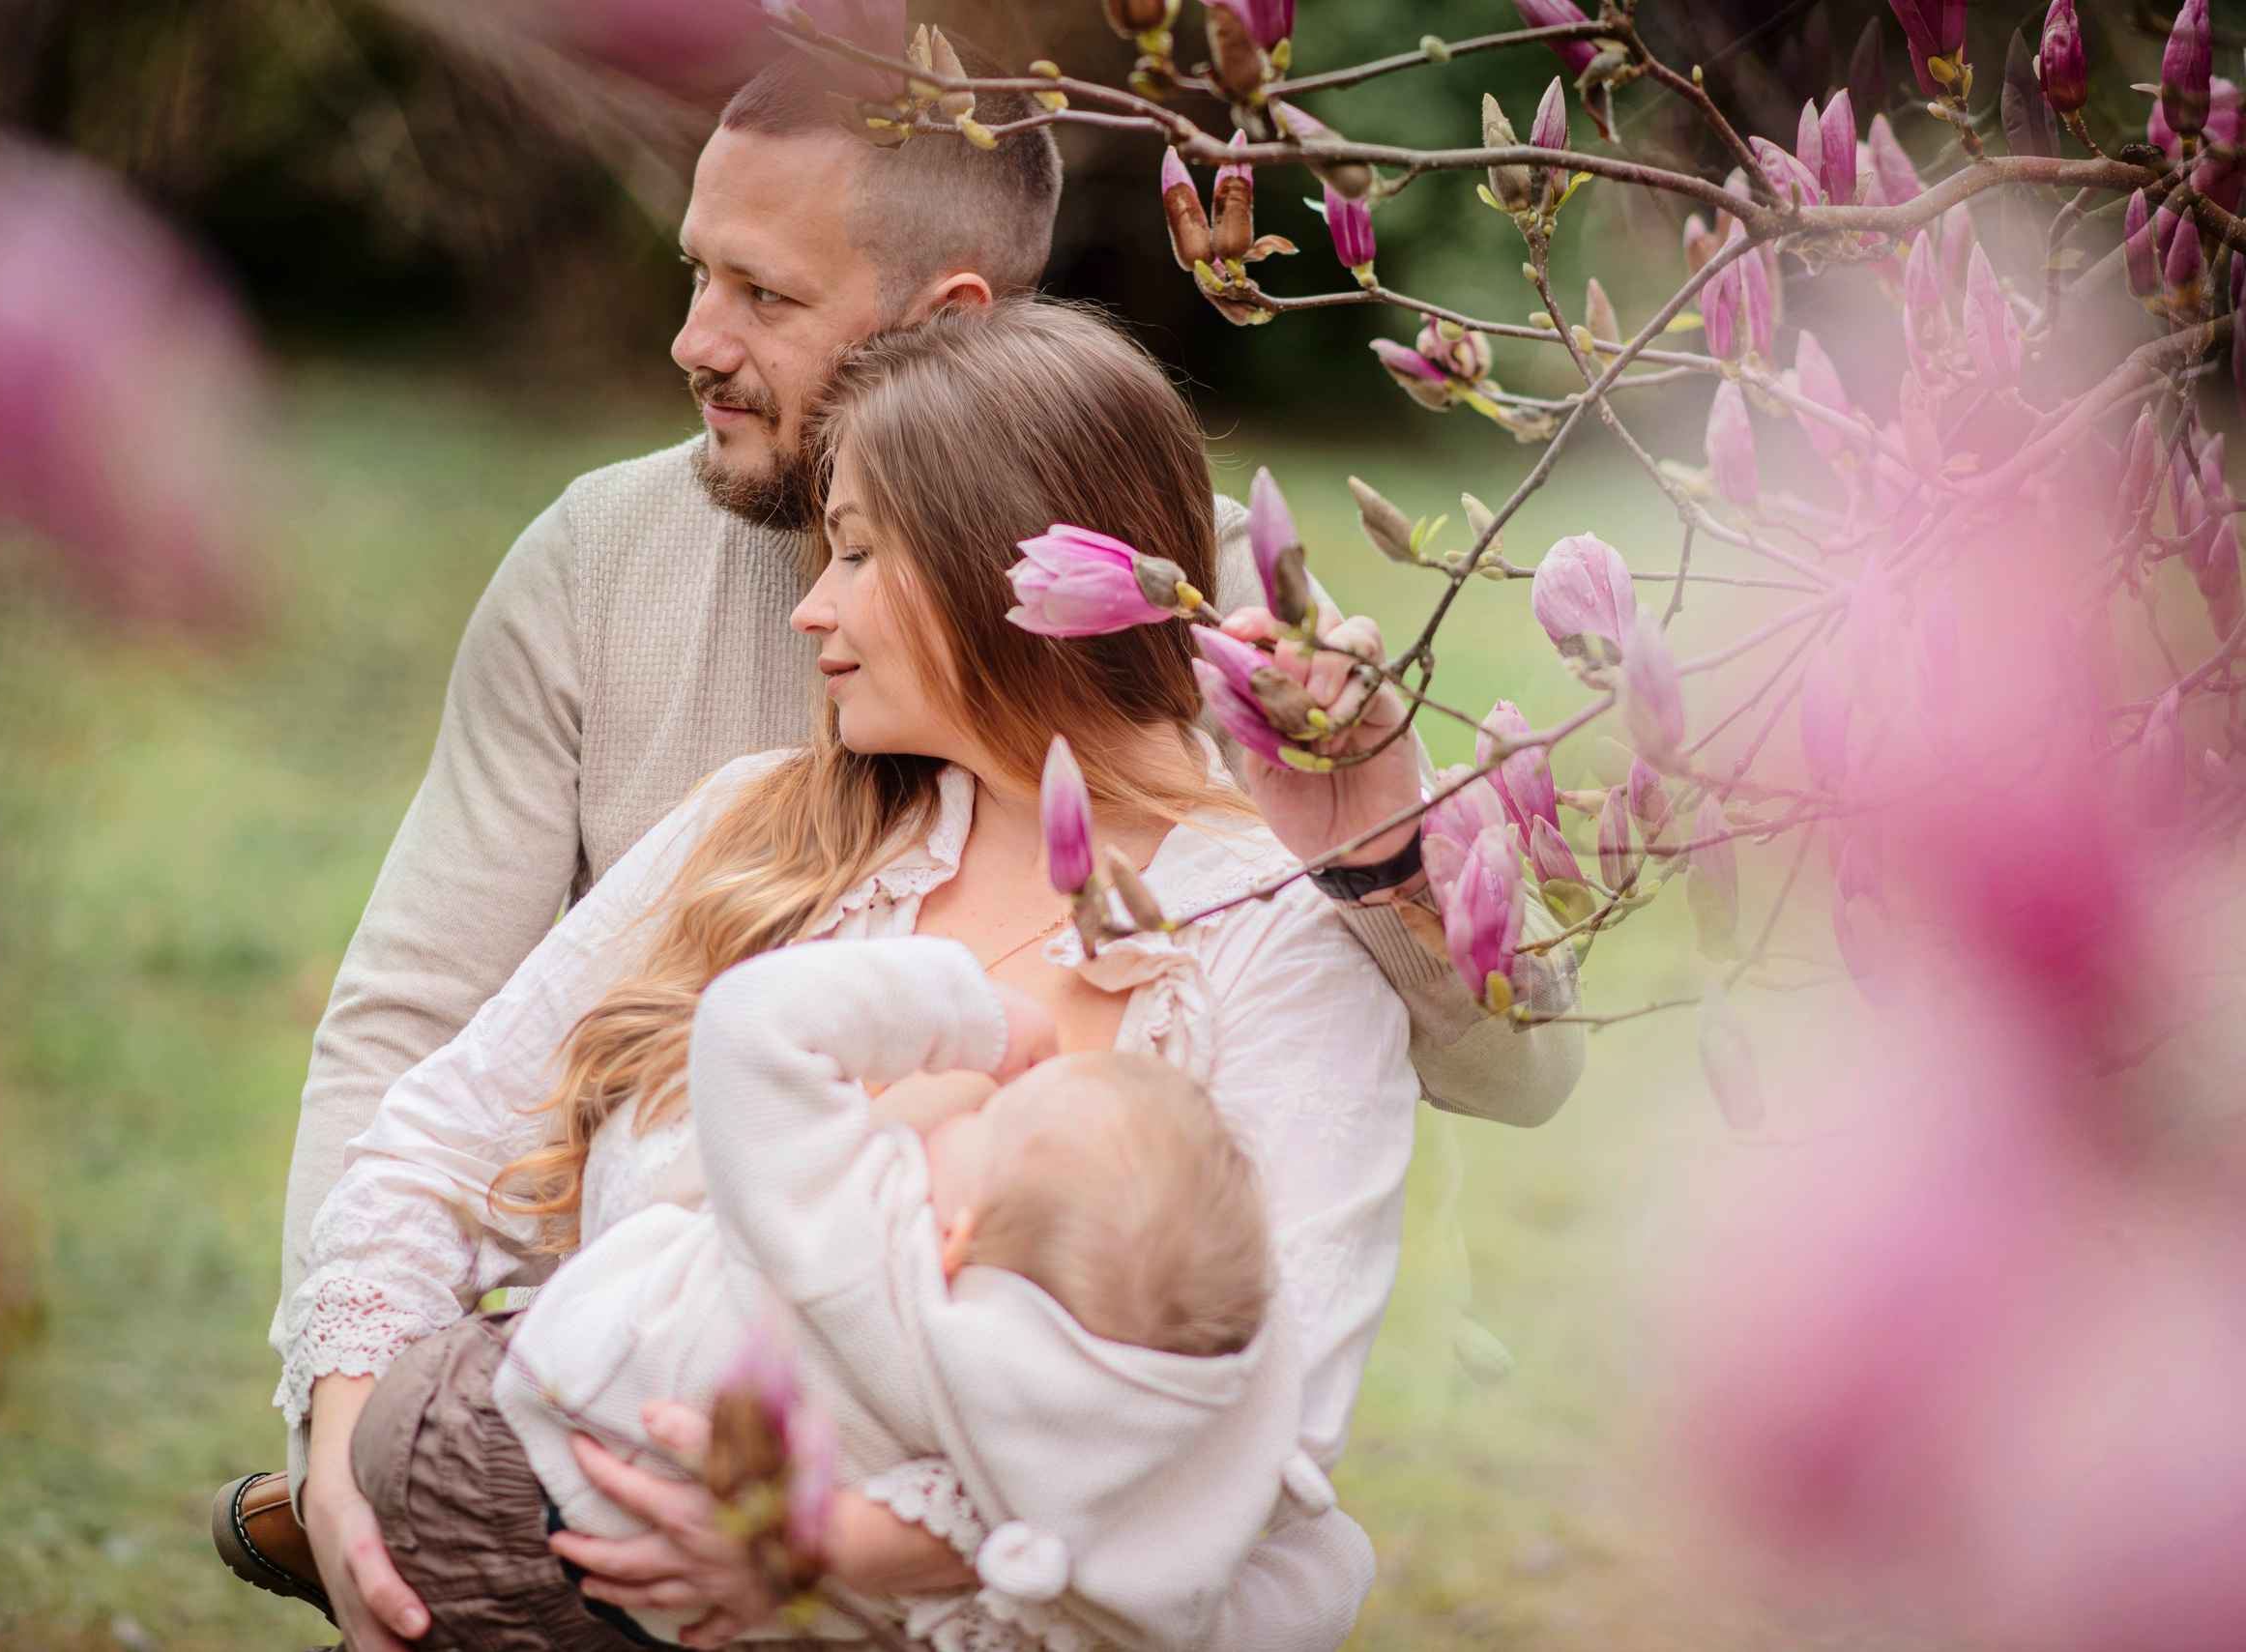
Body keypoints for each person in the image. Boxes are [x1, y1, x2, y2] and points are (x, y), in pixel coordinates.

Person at [265, 33, 1587, 1645]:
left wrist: (826, 1550)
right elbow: (418, 1093)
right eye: (697, 274)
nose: (694, 339)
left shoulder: (1240, 788)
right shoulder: (749, 794)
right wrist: (344, 1459)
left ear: (1003, 562)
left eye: (765, 292)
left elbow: (1271, 1423)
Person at [354, 933, 1309, 1652]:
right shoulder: (1086, 1427)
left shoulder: (858, 1245)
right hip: (681, 1611)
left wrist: (978, 1017)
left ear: (955, 1233)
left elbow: (755, 1020)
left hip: (501, 1457)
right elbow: (1277, 1554)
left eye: (996, 1117)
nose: (986, 1094)